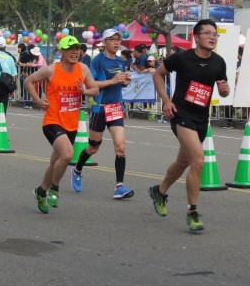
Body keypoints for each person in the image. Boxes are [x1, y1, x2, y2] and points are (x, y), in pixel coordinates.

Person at [150, 19, 229, 232]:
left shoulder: (219, 62)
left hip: (201, 118)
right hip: (181, 113)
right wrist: (166, 100)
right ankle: (192, 212)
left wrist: (224, 90)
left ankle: (160, 190)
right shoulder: (182, 58)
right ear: (196, 36)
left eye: (215, 34)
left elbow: (224, 89)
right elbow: (158, 74)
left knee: (183, 161)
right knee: (198, 159)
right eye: (207, 33)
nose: (212, 37)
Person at [25, 35, 99, 214]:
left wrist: (85, 91)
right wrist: (37, 100)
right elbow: (29, 81)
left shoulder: (83, 68)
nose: (74, 52)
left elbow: (95, 89)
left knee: (55, 162)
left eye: (76, 49)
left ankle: (41, 191)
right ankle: (54, 189)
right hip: (52, 120)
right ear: (61, 52)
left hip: (71, 123)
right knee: (67, 155)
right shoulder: (51, 70)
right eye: (70, 49)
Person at [71, 28, 135, 199]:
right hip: (99, 108)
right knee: (93, 147)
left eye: (118, 39)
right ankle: (77, 170)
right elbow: (91, 85)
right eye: (112, 39)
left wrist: (124, 83)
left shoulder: (121, 62)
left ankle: (119, 187)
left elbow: (118, 83)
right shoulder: (97, 61)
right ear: (105, 42)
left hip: (115, 108)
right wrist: (113, 80)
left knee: (120, 147)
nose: (116, 42)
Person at [17, 43, 34, 109]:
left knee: (26, 89)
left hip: (25, 74)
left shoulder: (25, 55)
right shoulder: (21, 54)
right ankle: (25, 102)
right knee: (23, 88)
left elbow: (27, 64)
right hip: (22, 73)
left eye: (19, 48)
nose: (18, 49)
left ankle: (28, 103)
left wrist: (25, 71)